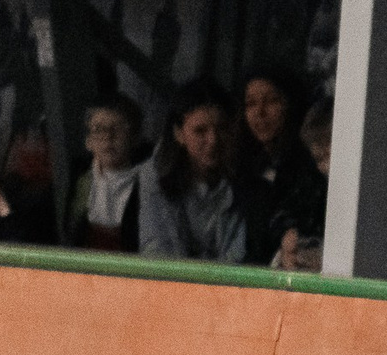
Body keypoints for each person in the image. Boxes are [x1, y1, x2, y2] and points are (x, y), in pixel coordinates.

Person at [137, 80, 271, 264]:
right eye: (200, 131)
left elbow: (241, 258)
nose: (213, 140)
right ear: (179, 134)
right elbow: (157, 250)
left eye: (222, 128)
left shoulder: (250, 183)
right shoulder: (155, 178)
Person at [239, 66, 321, 233]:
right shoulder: (245, 166)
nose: (259, 112)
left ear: (291, 104)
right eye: (251, 103)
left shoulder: (311, 166)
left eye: (271, 101)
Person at [70, 95, 146, 252]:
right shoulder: (81, 181)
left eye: (117, 129)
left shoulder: (147, 184)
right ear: (88, 141)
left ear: (135, 137)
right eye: (98, 129)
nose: (107, 137)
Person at [273, 101, 334, 272]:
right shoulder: (313, 187)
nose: (325, 166)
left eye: (329, 155)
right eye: (319, 159)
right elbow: (285, 214)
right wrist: (288, 234)